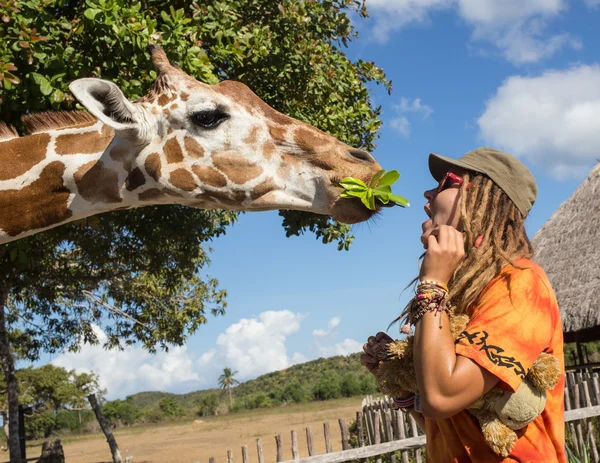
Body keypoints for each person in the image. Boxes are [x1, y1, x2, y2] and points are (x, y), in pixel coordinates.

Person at [361, 148, 565, 462]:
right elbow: (445, 421)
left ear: (483, 198)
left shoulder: (520, 284)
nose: (428, 192)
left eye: (446, 184)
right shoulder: (456, 296)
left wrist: (431, 283)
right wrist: (403, 387)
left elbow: (443, 396)